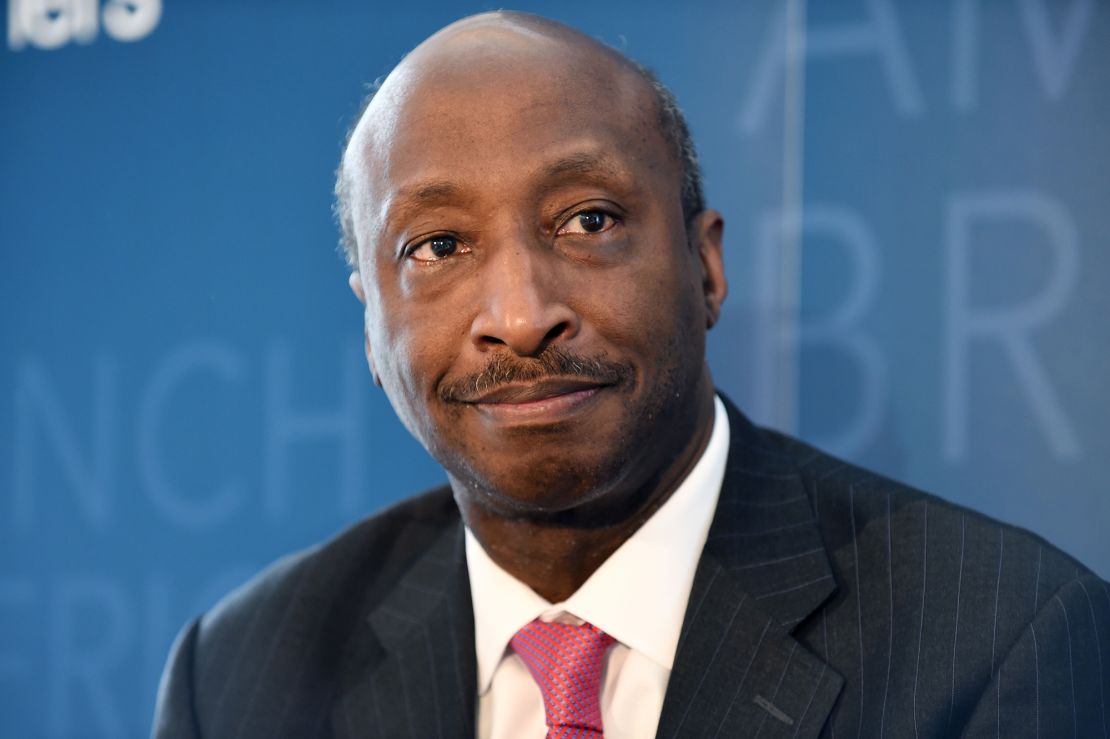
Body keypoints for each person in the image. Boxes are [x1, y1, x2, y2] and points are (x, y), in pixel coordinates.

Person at [152, 11, 1110, 739]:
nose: (520, 316)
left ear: (706, 269)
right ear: (371, 323)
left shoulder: (1001, 641)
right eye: (438, 244)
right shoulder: (239, 679)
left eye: (588, 221)